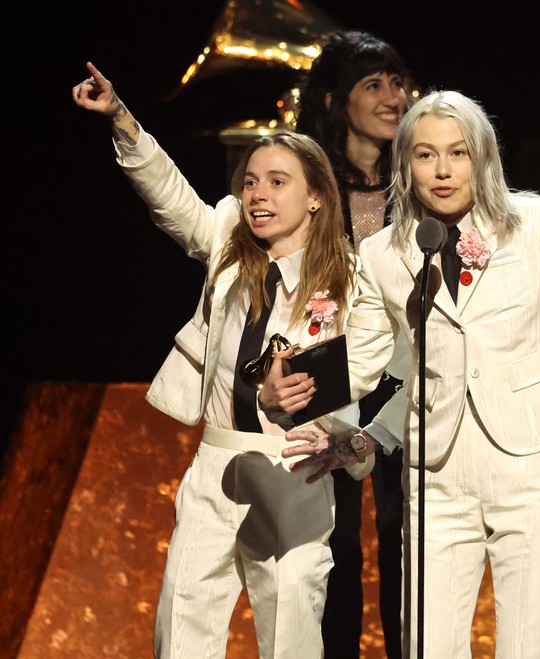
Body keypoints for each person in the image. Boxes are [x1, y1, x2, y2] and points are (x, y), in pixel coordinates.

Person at [284, 89, 540, 658]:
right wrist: (296, 382)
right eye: (425, 155)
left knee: (534, 640)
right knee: (428, 640)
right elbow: (368, 357)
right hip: (436, 468)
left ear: (483, 158)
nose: (443, 169)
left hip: (528, 454)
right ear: (405, 165)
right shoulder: (383, 253)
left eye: (458, 153)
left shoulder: (533, 222)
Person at [73, 62, 371, 658]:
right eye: (251, 180)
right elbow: (174, 201)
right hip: (215, 464)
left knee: (290, 636)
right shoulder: (229, 241)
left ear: (316, 196)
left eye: (278, 181)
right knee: (181, 630)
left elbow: (361, 378)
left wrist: (348, 440)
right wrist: (123, 123)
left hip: (292, 473)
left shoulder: (347, 282)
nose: (258, 194)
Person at [295, 30, 411, 658]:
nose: (393, 97)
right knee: (333, 543)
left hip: (406, 375)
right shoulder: (310, 184)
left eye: (398, 82)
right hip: (328, 374)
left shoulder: (420, 179)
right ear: (338, 101)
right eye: (374, 85)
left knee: (404, 531)